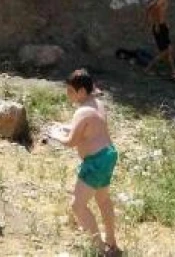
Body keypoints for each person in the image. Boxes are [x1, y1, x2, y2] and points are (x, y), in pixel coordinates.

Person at [47, 69, 120, 256]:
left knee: (77, 205)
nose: (67, 94)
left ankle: (98, 249)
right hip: (108, 155)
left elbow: (71, 142)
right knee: (103, 200)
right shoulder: (97, 104)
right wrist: (65, 127)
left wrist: (55, 134)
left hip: (95, 162)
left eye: (70, 90)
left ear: (81, 92)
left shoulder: (81, 111)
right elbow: (90, 129)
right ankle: (111, 241)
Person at [144, 0, 175, 79]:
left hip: (162, 26)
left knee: (169, 50)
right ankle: (148, 68)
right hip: (160, 27)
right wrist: (156, 24)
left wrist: (163, 22)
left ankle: (174, 72)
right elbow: (155, 9)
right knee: (165, 51)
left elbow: (149, 8)